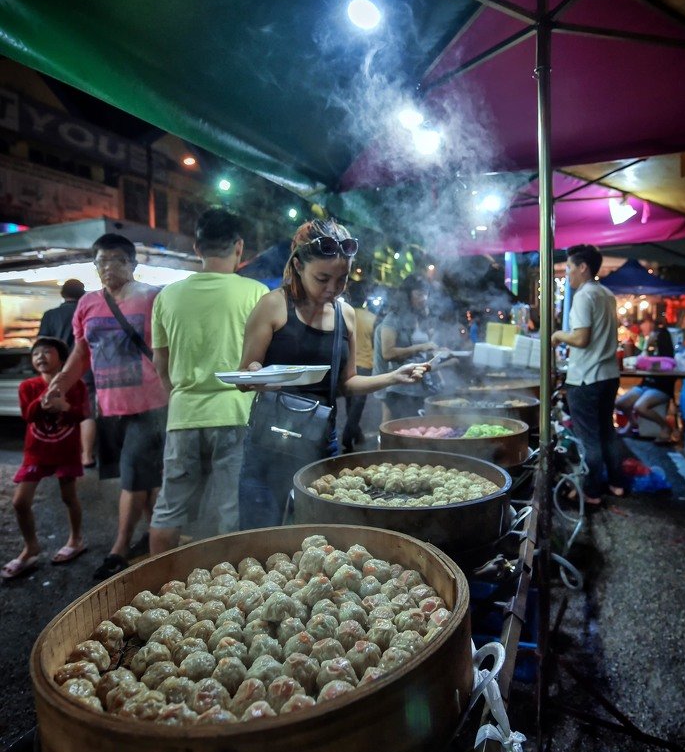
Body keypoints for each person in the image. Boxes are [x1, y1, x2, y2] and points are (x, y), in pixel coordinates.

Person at [237, 218, 426, 528]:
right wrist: (258, 374)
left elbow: (347, 383)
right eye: (322, 278)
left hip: (321, 440)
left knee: (320, 530)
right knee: (260, 531)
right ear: (298, 265)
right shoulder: (272, 306)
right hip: (269, 441)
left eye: (342, 279)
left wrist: (393, 376)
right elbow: (246, 374)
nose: (333, 289)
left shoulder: (345, 314)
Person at [47, 233, 168, 580]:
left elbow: (169, 349)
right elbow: (82, 353)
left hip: (150, 404)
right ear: (94, 266)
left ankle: (119, 548)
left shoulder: (153, 298)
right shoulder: (87, 304)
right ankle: (153, 535)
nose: (108, 267)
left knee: (132, 477)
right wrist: (60, 384)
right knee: (140, 477)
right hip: (109, 408)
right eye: (101, 260)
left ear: (133, 264)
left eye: (117, 259)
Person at [149, 209, 268, 554]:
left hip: (184, 414)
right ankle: (229, 594)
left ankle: (157, 588)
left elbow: (161, 364)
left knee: (169, 507)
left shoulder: (166, 296)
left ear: (197, 248)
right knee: (232, 509)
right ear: (239, 247)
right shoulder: (256, 292)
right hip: (236, 413)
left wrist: (181, 396)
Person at [2, 337, 88, 580]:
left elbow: (82, 414)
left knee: (69, 497)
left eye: (47, 352)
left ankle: (76, 539)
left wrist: (65, 407)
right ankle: (31, 547)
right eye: (36, 353)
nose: (40, 356)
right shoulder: (27, 386)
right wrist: (43, 401)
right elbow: (28, 416)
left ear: (62, 359)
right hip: (36, 453)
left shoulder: (76, 385)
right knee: (20, 502)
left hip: (66, 451)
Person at [551, 244, 624, 506]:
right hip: (608, 375)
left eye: (569, 268)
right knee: (608, 432)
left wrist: (557, 335)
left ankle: (592, 492)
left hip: (586, 378)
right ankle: (616, 483)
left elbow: (581, 338)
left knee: (589, 438)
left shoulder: (583, 296)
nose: (566, 273)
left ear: (583, 267)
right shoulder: (606, 293)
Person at [38, 279, 97, 468]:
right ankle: (87, 456)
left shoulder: (50, 315)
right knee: (86, 412)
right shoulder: (88, 312)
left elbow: (42, 344)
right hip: (86, 369)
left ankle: (58, 455)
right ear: (83, 294)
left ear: (63, 294)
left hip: (58, 370)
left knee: (56, 409)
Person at [373, 274, 439, 422]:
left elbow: (421, 349)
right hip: (398, 388)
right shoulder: (393, 319)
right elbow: (387, 353)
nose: (424, 298)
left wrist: (435, 351)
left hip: (418, 385)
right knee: (397, 431)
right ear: (407, 295)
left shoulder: (418, 318)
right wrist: (422, 347)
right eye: (419, 294)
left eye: (426, 294)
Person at [615, 315, 676, 444]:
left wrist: (646, 361)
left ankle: (666, 427)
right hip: (646, 385)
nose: (641, 328)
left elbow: (664, 364)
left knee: (640, 407)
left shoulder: (664, 344)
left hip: (661, 387)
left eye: (643, 324)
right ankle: (633, 424)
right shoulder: (648, 345)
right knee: (620, 403)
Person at [341, 281, 376, 453]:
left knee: (350, 403)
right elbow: (375, 345)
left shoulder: (343, 314)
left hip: (347, 364)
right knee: (358, 405)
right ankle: (347, 437)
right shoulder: (371, 318)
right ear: (364, 299)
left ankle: (357, 435)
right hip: (365, 365)